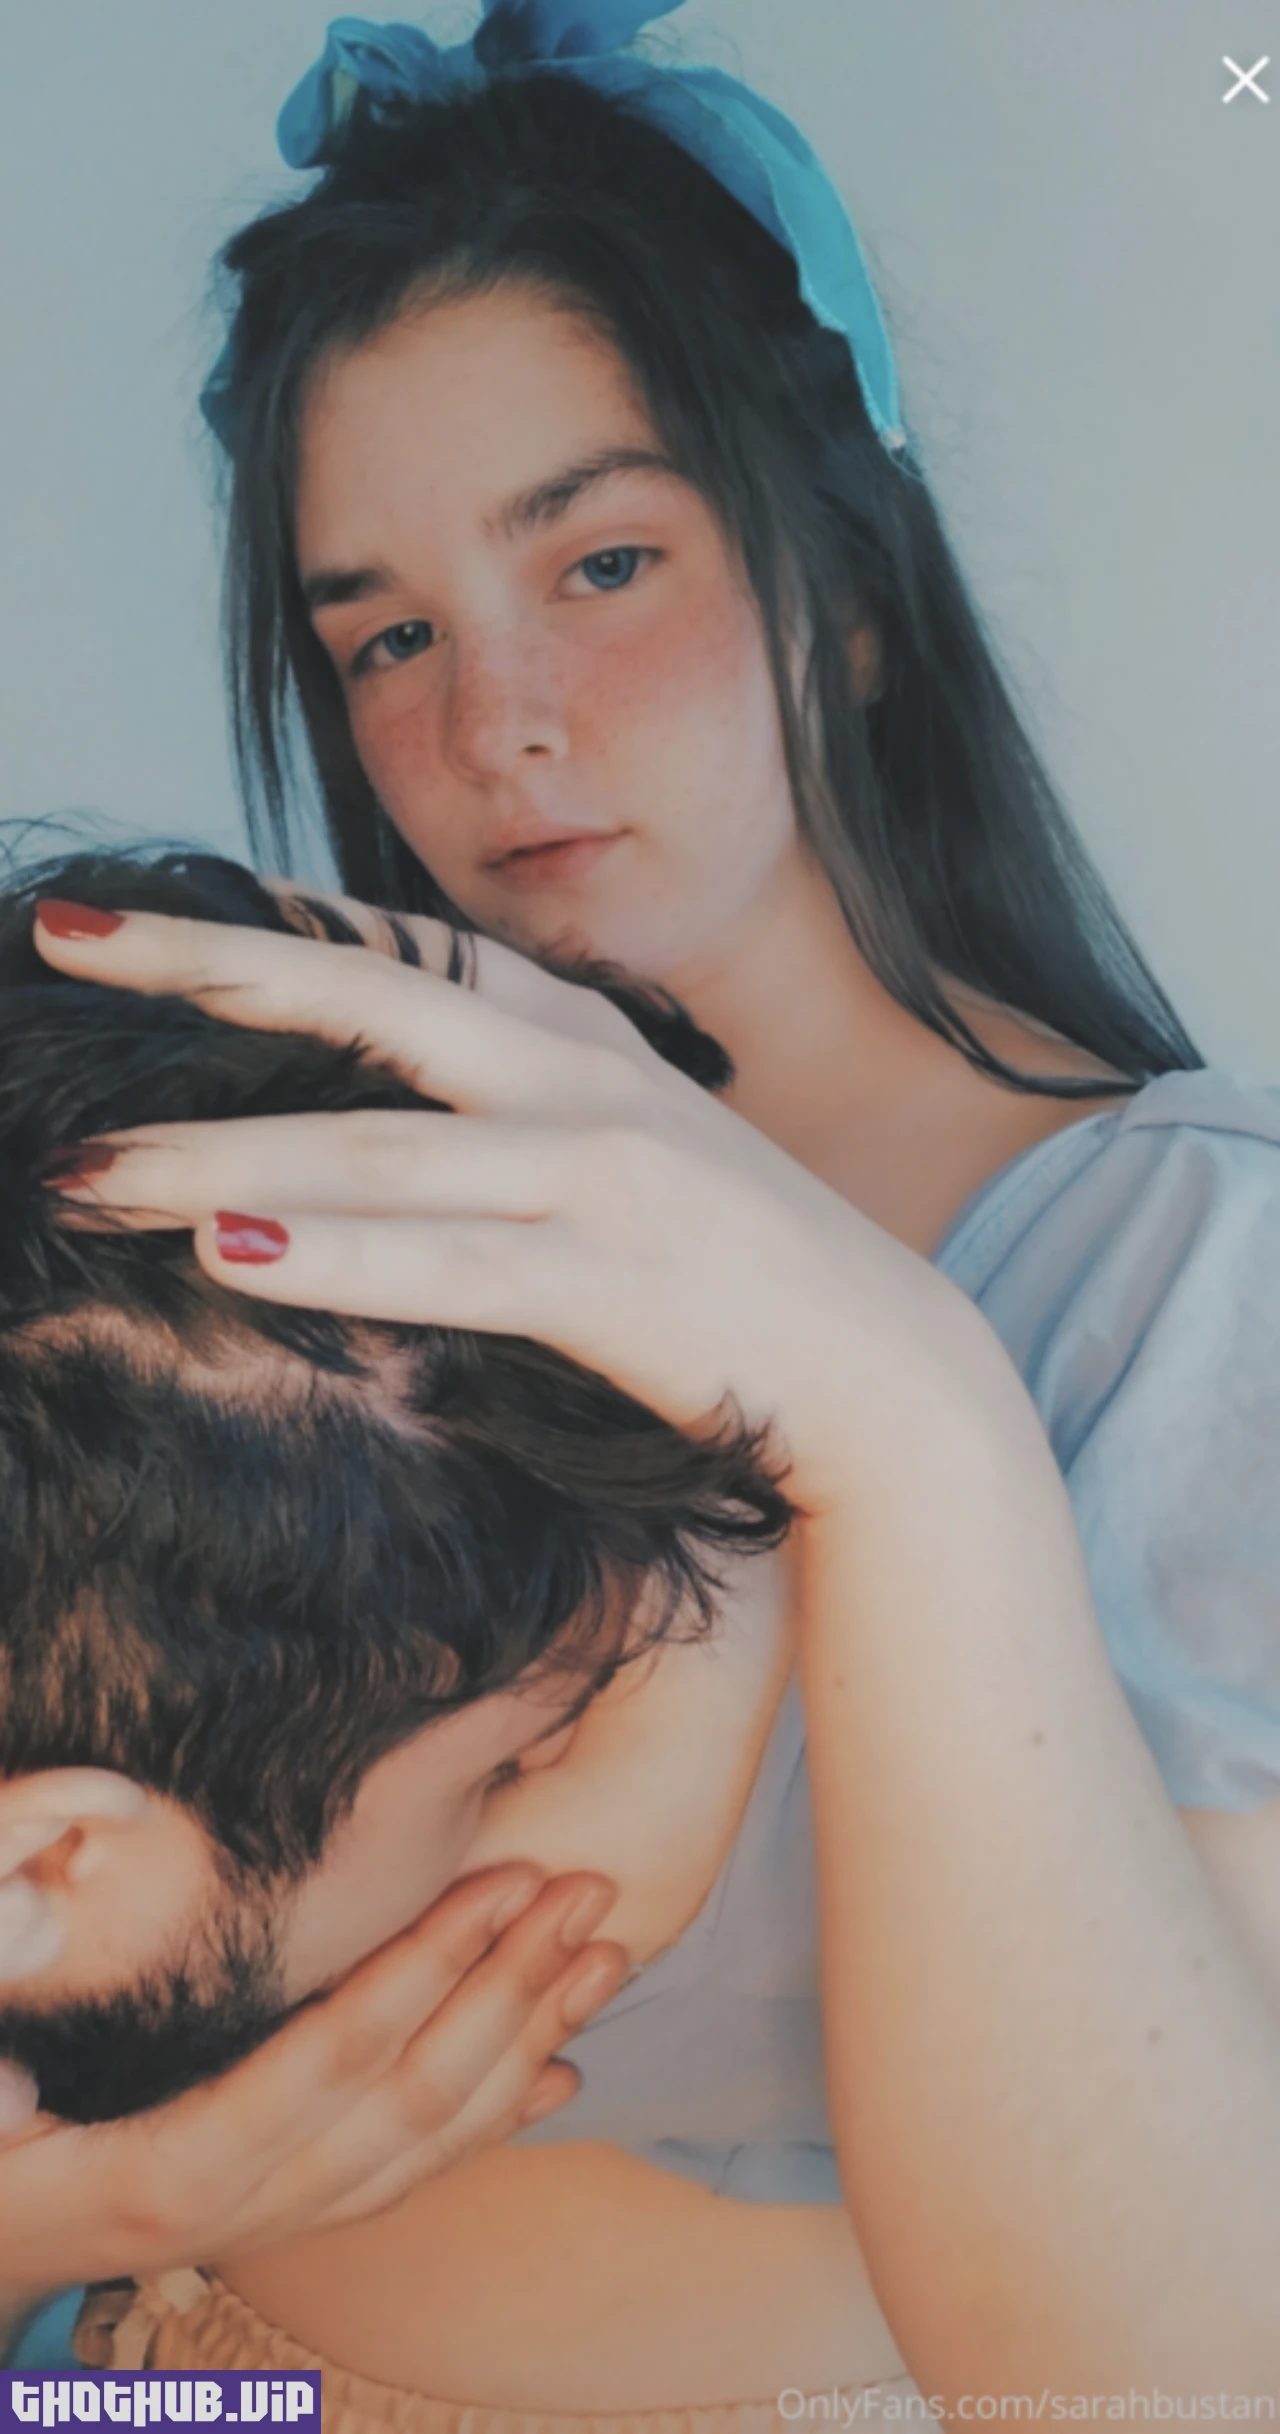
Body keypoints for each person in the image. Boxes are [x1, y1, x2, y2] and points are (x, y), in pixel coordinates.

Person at [6, 0, 1280, 2412]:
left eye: (600, 561)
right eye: (384, 632)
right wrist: (98, 2218)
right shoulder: (302, 1177)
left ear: (850, 592)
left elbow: (1177, 2362)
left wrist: (896, 1423)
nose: (491, 718)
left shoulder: (1199, 1280)